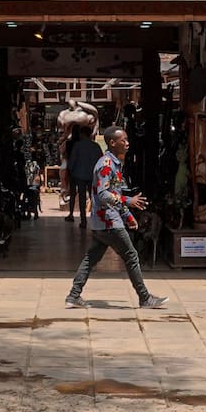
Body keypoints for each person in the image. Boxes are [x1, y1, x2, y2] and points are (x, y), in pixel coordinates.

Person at [65, 126, 169, 309]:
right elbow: (104, 194)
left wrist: (128, 216)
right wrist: (128, 201)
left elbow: (114, 193)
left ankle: (73, 296)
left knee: (91, 258)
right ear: (112, 143)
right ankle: (145, 298)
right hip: (108, 222)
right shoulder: (106, 165)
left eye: (127, 140)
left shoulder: (115, 164)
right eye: (123, 140)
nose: (127, 143)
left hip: (104, 222)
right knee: (131, 256)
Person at [62, 121, 101, 227]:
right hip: (92, 175)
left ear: (82, 134)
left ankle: (83, 220)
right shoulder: (96, 146)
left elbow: (72, 161)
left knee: (82, 198)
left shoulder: (77, 146)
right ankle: (96, 218)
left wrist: (69, 171)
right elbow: (101, 161)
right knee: (94, 197)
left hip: (79, 175)